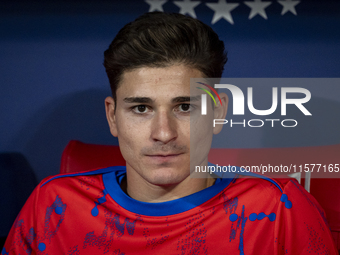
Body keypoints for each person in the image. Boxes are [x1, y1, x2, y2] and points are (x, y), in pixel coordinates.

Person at [2, 12, 337, 255]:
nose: (163, 133)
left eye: (185, 107)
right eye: (141, 108)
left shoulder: (279, 208)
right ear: (112, 117)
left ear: (218, 114)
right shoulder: (53, 203)